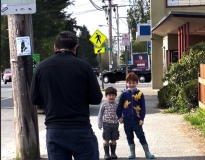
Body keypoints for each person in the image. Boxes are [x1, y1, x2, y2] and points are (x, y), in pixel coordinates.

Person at [30, 31, 103, 160]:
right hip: (80, 129)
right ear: (75, 48)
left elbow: (35, 99)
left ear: (55, 47)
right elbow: (96, 98)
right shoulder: (84, 67)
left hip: (55, 130)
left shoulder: (41, 68)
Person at [117, 72, 154, 159]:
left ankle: (147, 152)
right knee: (129, 135)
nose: (131, 85)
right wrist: (119, 117)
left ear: (137, 83)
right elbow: (120, 106)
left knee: (141, 135)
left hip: (137, 120)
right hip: (127, 119)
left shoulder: (140, 94)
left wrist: (142, 118)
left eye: (133, 83)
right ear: (126, 83)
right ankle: (132, 152)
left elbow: (143, 107)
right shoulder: (124, 94)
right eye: (129, 83)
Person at [98, 87, 119, 160]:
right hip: (106, 124)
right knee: (106, 139)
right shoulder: (104, 104)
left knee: (114, 139)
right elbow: (100, 114)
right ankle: (107, 154)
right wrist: (99, 123)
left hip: (115, 125)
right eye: (109, 95)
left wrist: (121, 118)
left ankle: (113, 153)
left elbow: (119, 114)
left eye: (113, 95)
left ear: (115, 96)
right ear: (106, 96)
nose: (111, 97)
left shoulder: (117, 105)